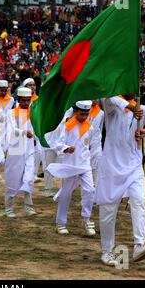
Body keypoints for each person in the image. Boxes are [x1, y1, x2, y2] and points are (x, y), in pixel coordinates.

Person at [95, 95, 145, 267]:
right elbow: (109, 97)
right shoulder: (112, 109)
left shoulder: (142, 110)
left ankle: (139, 246)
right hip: (111, 167)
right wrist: (130, 106)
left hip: (134, 166)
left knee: (138, 201)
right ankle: (107, 251)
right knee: (108, 209)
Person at [47, 101, 97, 236]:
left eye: (86, 114)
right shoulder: (67, 126)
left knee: (90, 190)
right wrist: (66, 149)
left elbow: (89, 144)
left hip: (85, 164)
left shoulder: (90, 127)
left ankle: (86, 219)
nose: (84, 116)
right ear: (75, 112)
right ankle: (60, 223)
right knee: (66, 194)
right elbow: (58, 144)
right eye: (81, 114)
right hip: (70, 165)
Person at [4, 87, 36, 218]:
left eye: (28, 100)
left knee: (29, 177)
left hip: (29, 149)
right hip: (15, 150)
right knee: (13, 178)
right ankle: (9, 208)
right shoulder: (11, 113)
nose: (26, 103)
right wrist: (24, 133)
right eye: (23, 100)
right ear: (18, 100)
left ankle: (28, 206)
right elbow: (12, 129)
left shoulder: (33, 113)